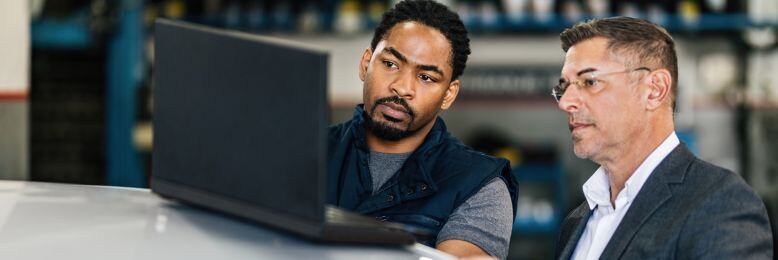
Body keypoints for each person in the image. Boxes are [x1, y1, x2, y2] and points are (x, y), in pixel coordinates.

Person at [553, 17, 773, 259]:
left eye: (589, 82)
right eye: (563, 87)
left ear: (655, 90)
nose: (566, 102)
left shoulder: (721, 204)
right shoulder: (576, 221)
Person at [326, 0, 518, 258]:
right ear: (366, 63)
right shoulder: (304, 152)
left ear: (449, 94)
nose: (402, 87)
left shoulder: (479, 185)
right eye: (391, 64)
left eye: (426, 77)